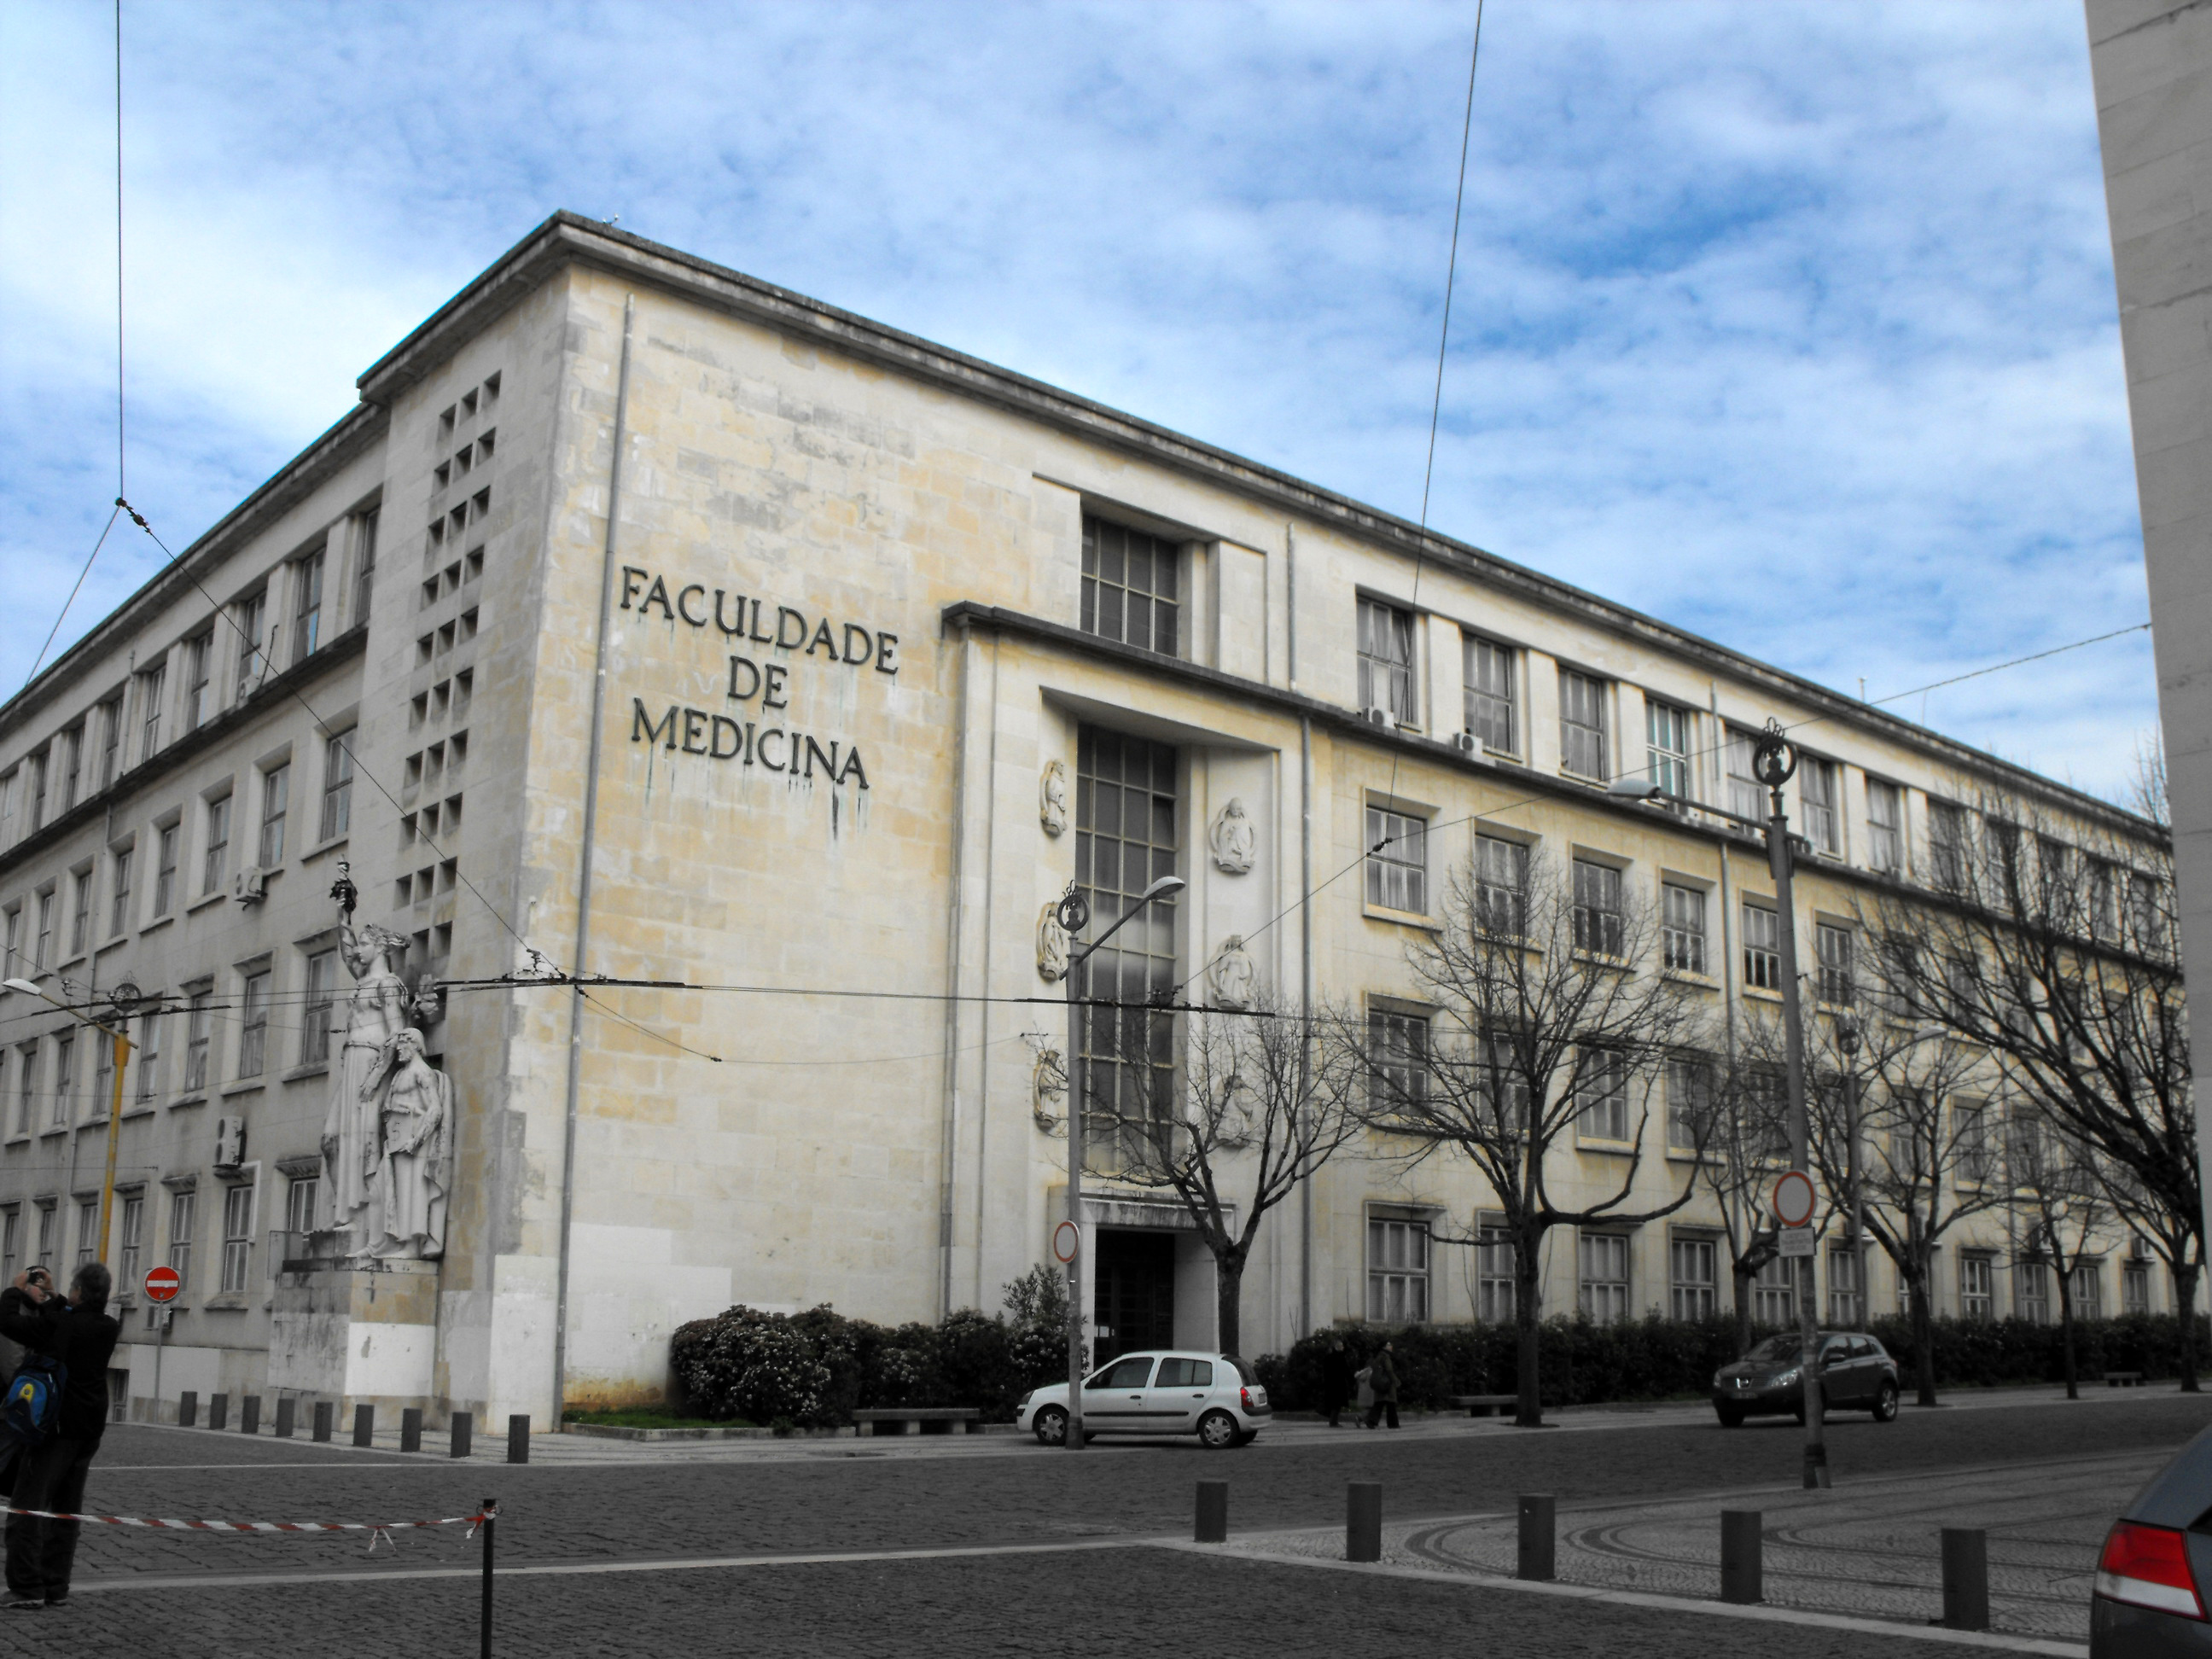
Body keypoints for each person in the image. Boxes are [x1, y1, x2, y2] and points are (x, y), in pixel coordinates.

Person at [0, 1263, 119, 1610]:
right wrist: (54, 1295)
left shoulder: (63, 1325)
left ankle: (26, 1587)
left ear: (78, 1291)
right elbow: (72, 1317)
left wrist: (15, 1291)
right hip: (89, 1429)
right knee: (66, 1511)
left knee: (27, 1506)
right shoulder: (108, 1326)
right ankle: (56, 1584)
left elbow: (9, 1323)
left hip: (55, 1428)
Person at [1362, 1338, 1401, 1430]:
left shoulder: (1378, 1356)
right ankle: (1393, 1424)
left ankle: (1371, 1421)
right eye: (1389, 1345)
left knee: (1379, 1403)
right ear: (1384, 1347)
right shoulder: (1386, 1357)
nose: (1391, 1346)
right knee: (1391, 1403)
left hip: (1379, 1383)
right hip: (1387, 1383)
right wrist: (1395, 1380)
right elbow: (1389, 1370)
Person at [1320, 1338, 1357, 1429]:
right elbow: (1346, 1371)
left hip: (1330, 1384)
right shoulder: (1341, 1357)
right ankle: (1333, 1422)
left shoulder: (1328, 1357)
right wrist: (1353, 1381)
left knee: (1334, 1403)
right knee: (1337, 1404)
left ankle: (1333, 1421)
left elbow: (1325, 1372)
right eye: (1342, 1346)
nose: (1343, 1347)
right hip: (1339, 1384)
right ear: (1339, 1347)